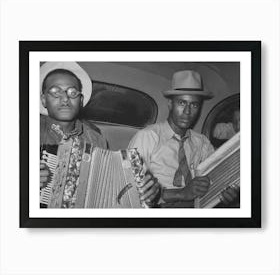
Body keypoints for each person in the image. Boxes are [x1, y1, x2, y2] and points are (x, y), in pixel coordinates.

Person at [40, 62, 159, 208]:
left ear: (81, 100)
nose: (65, 99)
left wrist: (143, 190)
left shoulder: (96, 138)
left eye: (72, 93)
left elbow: (108, 189)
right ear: (44, 99)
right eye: (55, 91)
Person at [129, 70, 239, 207]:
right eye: (182, 103)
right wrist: (181, 193)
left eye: (194, 105)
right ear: (170, 104)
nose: (187, 112)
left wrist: (224, 193)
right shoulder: (147, 137)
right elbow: (130, 189)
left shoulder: (202, 142)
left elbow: (215, 179)